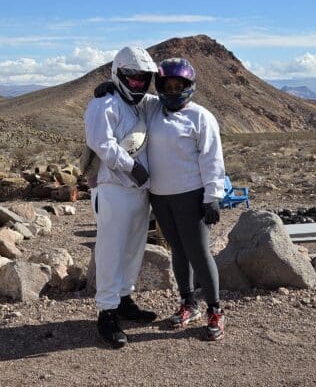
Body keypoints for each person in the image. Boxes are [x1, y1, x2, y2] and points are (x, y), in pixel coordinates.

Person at [84, 46, 160, 349]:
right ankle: (106, 311)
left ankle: (124, 299)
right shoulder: (104, 105)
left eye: (144, 78)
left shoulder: (141, 105)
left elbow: (165, 102)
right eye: (133, 77)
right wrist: (133, 168)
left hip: (139, 191)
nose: (138, 83)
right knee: (111, 251)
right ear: (119, 74)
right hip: (114, 188)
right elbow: (102, 143)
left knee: (133, 248)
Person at [146, 57, 227, 341]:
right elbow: (131, 97)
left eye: (177, 85)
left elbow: (212, 158)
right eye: (166, 85)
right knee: (178, 251)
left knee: (199, 252)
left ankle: (215, 310)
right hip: (160, 196)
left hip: (191, 195)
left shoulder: (201, 117)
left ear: (188, 85)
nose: (171, 90)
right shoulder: (153, 109)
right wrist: (108, 89)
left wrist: (212, 196)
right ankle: (188, 304)